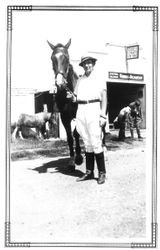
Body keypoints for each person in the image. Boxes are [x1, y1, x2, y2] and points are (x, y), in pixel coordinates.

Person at [68, 56, 107, 184]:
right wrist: (71, 97)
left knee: (95, 141)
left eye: (89, 63)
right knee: (87, 142)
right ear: (82, 66)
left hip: (94, 108)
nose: (87, 66)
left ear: (93, 64)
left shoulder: (99, 78)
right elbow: (76, 98)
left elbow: (104, 98)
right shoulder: (80, 80)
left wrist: (102, 115)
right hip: (81, 109)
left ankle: (102, 173)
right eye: (85, 64)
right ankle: (89, 172)